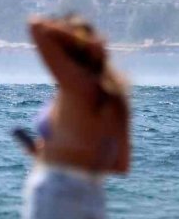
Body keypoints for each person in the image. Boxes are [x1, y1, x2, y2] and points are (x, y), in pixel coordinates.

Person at [20, 13, 131, 219]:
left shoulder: (75, 84)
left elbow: (36, 26)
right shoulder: (116, 96)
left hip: (57, 188)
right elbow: (121, 165)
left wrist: (83, 43)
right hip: (92, 192)